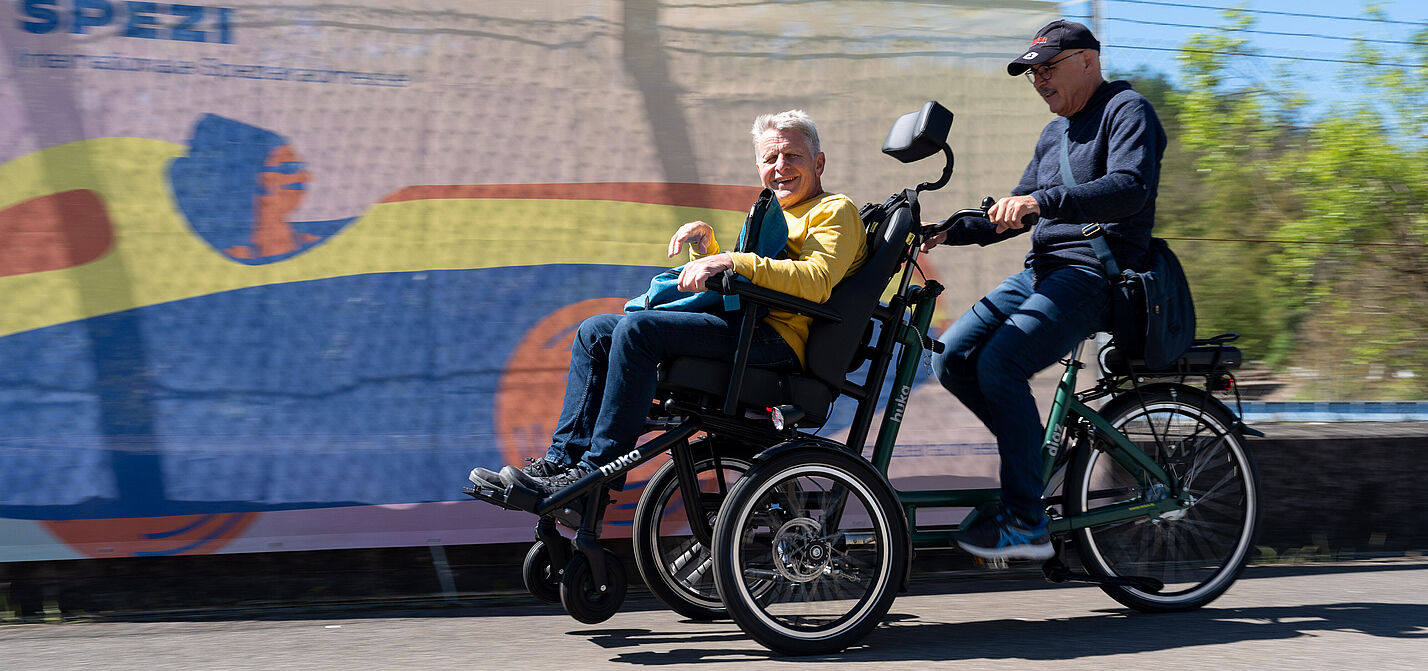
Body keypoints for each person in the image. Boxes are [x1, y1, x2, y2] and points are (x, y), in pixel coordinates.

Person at [470, 110, 867, 496]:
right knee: (596, 333)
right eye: (770, 158)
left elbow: (815, 281)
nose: (781, 166)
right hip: (745, 326)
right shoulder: (772, 210)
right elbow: (744, 281)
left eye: (793, 156)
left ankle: (594, 475)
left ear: (819, 162)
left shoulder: (835, 209)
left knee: (638, 331)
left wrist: (729, 258)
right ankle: (560, 464)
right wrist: (708, 249)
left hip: (776, 342)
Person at [922, 20, 1167, 560]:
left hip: (1094, 273)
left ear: (1087, 60)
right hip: (1042, 271)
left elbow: (1129, 188)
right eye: (1032, 72)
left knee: (1001, 363)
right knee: (954, 357)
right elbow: (1009, 214)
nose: (1038, 80)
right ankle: (1030, 467)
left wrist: (1040, 204)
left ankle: (1026, 522)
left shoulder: (1128, 112)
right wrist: (947, 231)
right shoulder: (1053, 134)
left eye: (1047, 67)